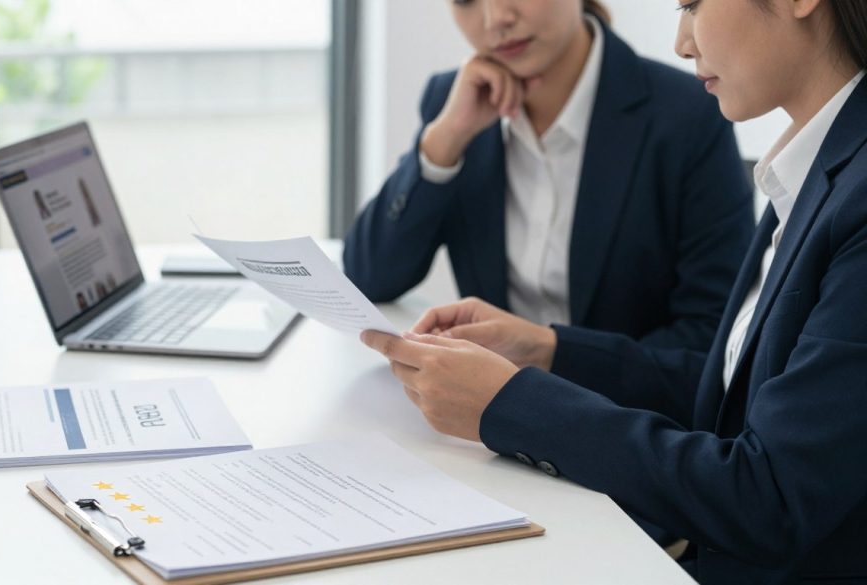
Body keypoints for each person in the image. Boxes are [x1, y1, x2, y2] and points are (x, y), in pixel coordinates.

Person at [362, 0, 867, 582]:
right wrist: (547, 349)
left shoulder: (832, 184)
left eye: (691, 4)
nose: (681, 41)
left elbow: (768, 496)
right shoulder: (807, 170)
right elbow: (727, 393)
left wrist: (510, 402)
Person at [344, 0, 753, 352]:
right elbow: (368, 278)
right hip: (482, 426)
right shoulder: (453, 103)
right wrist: (445, 142)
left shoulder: (688, 117)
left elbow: (711, 339)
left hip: (628, 427)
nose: (495, 18)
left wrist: (552, 360)